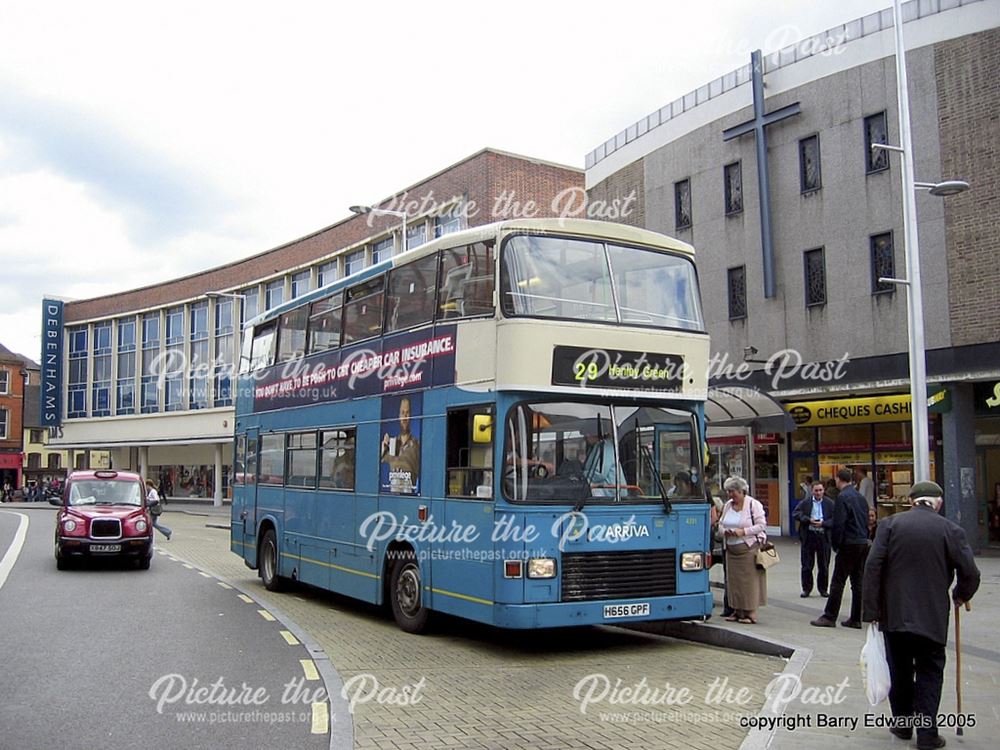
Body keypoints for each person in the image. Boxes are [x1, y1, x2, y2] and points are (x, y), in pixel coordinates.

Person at [863, 481, 980, 750]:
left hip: (895, 614)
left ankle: (903, 725)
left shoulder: (889, 525)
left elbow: (873, 566)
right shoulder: (951, 529)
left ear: (912, 501)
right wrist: (961, 594)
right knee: (930, 671)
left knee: (900, 670)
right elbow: (971, 572)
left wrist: (871, 610)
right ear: (937, 503)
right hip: (932, 616)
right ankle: (927, 735)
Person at [810, 468, 869, 628]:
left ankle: (830, 616)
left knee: (838, 581)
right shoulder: (860, 497)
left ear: (838, 479)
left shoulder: (843, 497)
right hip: (862, 541)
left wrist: (836, 544)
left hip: (848, 542)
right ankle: (857, 617)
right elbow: (866, 519)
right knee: (857, 581)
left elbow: (839, 523)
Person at [716, 476, 767, 624]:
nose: (731, 495)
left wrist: (743, 532)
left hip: (748, 549)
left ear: (742, 491)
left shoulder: (753, 505)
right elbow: (720, 523)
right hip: (731, 549)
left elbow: (761, 525)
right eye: (728, 492)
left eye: (733, 492)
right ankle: (737, 611)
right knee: (734, 582)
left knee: (749, 583)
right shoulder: (727, 505)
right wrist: (724, 531)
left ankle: (750, 613)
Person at [792, 480, 833, 598]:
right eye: (816, 490)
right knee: (807, 565)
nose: (818, 493)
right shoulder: (806, 503)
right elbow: (796, 513)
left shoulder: (830, 504)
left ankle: (823, 589)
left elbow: (835, 519)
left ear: (824, 490)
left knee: (824, 565)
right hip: (809, 535)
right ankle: (806, 588)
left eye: (820, 490)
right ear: (812, 491)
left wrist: (824, 523)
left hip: (823, 537)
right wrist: (808, 519)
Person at [381, 396, 421, 493]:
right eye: (402, 413)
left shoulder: (417, 445)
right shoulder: (392, 443)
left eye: (407, 413)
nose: (404, 417)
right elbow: (378, 461)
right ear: (399, 416)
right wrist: (383, 447)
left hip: (409, 493)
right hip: (393, 493)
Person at [582, 424, 621, 497]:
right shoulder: (595, 447)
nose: (586, 437)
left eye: (587, 434)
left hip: (610, 492)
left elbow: (600, 473)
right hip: (601, 489)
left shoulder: (606, 447)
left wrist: (581, 476)